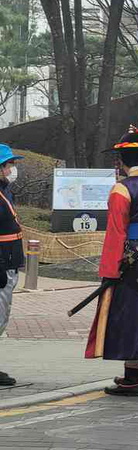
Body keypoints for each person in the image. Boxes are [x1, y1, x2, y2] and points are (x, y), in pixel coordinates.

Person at [85, 131, 138, 396]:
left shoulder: (121, 189)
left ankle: (133, 378)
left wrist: (110, 270)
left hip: (132, 257)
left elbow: (116, 233)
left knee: (132, 315)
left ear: (121, 160)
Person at [0, 144, 24, 386]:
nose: (12, 169)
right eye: (9, 165)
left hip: (9, 261)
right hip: (1, 262)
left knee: (2, 317)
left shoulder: (6, 191)